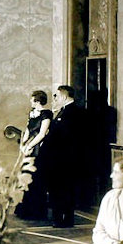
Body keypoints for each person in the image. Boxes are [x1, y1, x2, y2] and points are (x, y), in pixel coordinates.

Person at [39, 85, 88, 228]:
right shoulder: (63, 112)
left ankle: (63, 219)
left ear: (64, 97)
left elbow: (65, 138)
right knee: (59, 189)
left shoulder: (73, 113)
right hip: (60, 159)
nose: (55, 99)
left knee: (63, 190)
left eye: (57, 96)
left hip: (64, 160)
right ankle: (60, 217)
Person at [14, 90, 53, 220]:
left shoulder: (46, 114)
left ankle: (37, 211)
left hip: (38, 149)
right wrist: (23, 145)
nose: (30, 101)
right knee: (26, 177)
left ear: (37, 100)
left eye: (32, 100)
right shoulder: (32, 113)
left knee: (37, 179)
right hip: (28, 147)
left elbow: (42, 133)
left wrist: (30, 146)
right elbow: (27, 130)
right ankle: (27, 208)